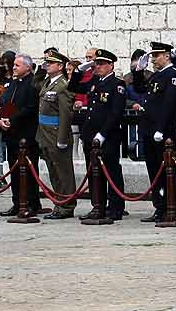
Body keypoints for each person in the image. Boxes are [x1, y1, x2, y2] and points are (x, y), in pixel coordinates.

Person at [79, 49, 127, 223]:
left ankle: (115, 208)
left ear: (110, 65)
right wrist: (79, 71)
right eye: (95, 64)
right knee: (93, 172)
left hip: (108, 135)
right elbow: (74, 87)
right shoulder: (94, 81)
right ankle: (97, 205)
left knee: (111, 171)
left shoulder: (117, 84)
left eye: (100, 64)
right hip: (90, 134)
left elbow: (115, 113)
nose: (97, 67)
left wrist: (102, 134)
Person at [139, 41, 176, 223]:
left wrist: (160, 129)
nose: (153, 60)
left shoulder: (173, 75)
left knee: (166, 171)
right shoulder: (157, 76)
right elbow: (142, 91)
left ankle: (170, 206)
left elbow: (169, 104)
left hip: (164, 133)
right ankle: (159, 206)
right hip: (151, 130)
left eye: (156, 56)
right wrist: (137, 72)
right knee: (154, 170)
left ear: (166, 56)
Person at [0, 53, 43, 216]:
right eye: (14, 65)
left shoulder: (33, 84)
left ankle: (31, 203)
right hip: (12, 133)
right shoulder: (13, 83)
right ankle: (17, 202)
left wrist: (12, 119)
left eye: (17, 65)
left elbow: (30, 107)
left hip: (27, 134)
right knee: (14, 170)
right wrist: (2, 119)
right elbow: (7, 102)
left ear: (27, 67)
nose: (14, 67)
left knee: (29, 171)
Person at [37, 50, 78, 219]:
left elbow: (65, 114)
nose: (47, 65)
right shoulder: (48, 82)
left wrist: (62, 138)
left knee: (63, 172)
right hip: (45, 134)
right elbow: (35, 83)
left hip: (56, 134)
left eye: (51, 63)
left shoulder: (63, 85)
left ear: (60, 66)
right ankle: (59, 203)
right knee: (53, 171)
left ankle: (67, 205)